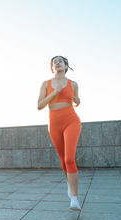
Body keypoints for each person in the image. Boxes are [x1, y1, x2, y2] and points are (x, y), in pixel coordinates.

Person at [37, 56, 81, 211]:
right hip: (54, 123)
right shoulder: (46, 84)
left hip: (71, 120)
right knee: (63, 161)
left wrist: (78, 99)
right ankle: (70, 184)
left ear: (66, 65)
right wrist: (54, 93)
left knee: (70, 159)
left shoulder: (73, 84)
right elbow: (39, 105)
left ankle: (74, 198)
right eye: (54, 62)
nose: (57, 63)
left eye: (60, 61)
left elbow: (76, 100)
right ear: (52, 67)